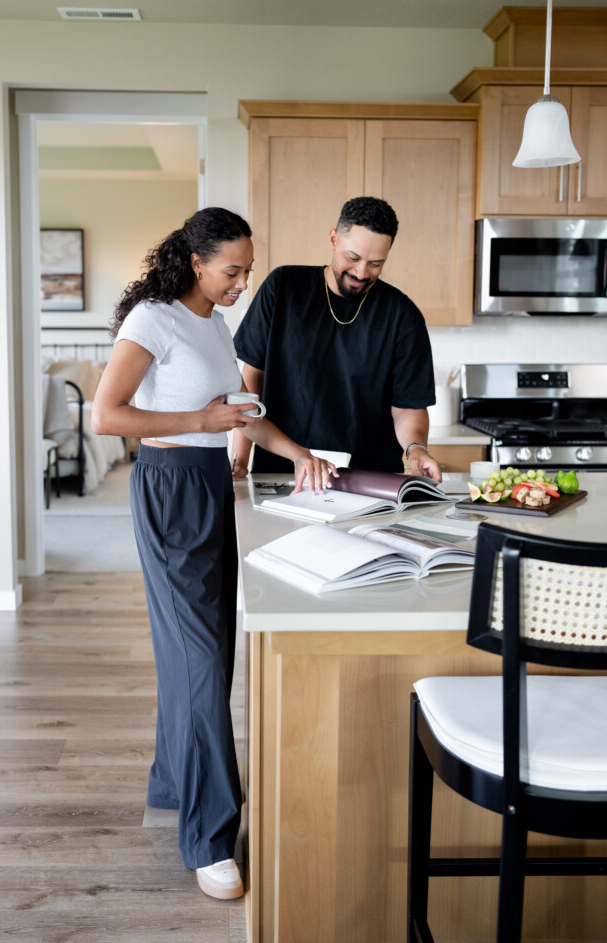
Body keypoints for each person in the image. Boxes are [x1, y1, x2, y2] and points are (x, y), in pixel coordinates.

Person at [91, 207, 336, 902]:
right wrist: (201, 421)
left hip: (206, 486)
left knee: (208, 650)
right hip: (169, 488)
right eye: (232, 271)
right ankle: (207, 837)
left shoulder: (208, 321)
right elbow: (107, 416)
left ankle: (173, 781)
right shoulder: (152, 319)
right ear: (196, 261)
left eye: (246, 272)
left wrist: (297, 454)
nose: (240, 283)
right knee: (199, 661)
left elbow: (236, 406)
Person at [231, 195, 441, 482]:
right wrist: (241, 457)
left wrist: (415, 449)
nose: (361, 272)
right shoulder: (283, 288)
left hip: (368, 479)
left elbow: (408, 407)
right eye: (352, 258)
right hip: (284, 471)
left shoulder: (403, 315)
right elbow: (252, 376)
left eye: (376, 264)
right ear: (333, 239)